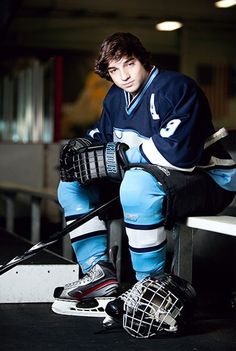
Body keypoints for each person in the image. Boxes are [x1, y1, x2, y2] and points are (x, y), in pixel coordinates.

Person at [54, 32, 236, 303]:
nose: (124, 75)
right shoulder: (116, 97)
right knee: (72, 186)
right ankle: (98, 273)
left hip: (209, 180)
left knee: (137, 184)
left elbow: (178, 154)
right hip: (147, 181)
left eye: (129, 63)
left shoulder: (177, 87)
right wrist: (84, 148)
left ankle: (150, 287)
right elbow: (103, 138)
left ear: (142, 59)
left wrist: (121, 157)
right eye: (114, 70)